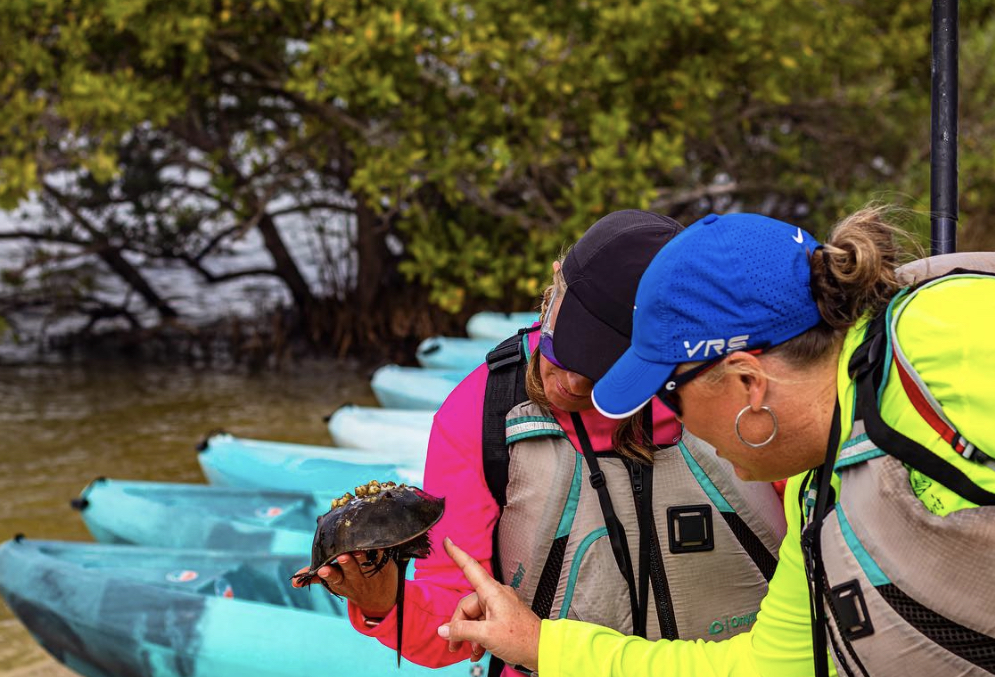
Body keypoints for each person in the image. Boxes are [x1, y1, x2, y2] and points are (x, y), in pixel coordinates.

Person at [435, 207, 995, 677]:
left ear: (746, 381)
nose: (670, 422)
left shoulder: (952, 345)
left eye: (670, 393)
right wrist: (540, 643)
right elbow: (764, 670)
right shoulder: (821, 488)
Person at [295, 210, 788, 674]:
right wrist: (386, 605)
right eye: (565, 345)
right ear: (554, 289)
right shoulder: (480, 415)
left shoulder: (740, 393)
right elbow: (458, 619)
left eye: (602, 369)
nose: (571, 383)